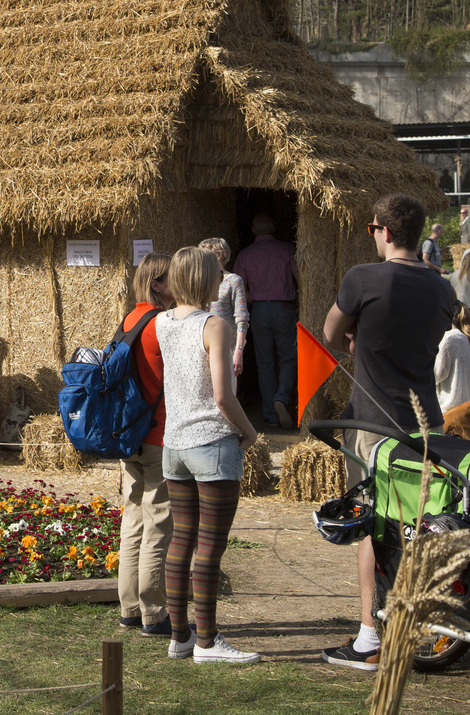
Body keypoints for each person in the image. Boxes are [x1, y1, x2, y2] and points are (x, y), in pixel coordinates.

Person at [320, 193, 457, 672]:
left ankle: (368, 637)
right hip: (427, 425)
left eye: (372, 228)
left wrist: (360, 337)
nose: (373, 236)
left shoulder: (363, 277)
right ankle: (422, 626)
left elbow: (330, 334)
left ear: (386, 231)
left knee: (371, 528)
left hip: (372, 424)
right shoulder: (443, 289)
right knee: (420, 528)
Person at [158, 246, 262, 665]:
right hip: (212, 442)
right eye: (217, 271)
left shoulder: (164, 322)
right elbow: (222, 395)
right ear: (205, 278)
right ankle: (207, 641)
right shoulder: (215, 324)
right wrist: (250, 431)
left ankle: (180, 636)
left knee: (180, 542)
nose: (223, 276)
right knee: (210, 548)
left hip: (174, 443)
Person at [114, 253, 174, 637]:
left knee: (132, 521)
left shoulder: (129, 320)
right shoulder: (163, 324)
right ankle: (154, 612)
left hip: (129, 435)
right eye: (173, 279)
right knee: (158, 525)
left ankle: (129, 608)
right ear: (156, 284)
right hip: (157, 434)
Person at [234, 213, 299, 430]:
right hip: (284, 308)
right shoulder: (287, 250)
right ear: (274, 229)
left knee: (265, 363)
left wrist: (254, 294)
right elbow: (300, 278)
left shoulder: (244, 255)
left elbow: (238, 287)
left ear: (253, 231)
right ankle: (282, 397)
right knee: (288, 358)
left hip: (259, 310)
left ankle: (271, 414)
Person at [199, 238, 248, 388]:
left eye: (205, 254)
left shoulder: (233, 281)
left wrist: (239, 350)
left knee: (226, 389)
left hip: (227, 346)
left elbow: (242, 317)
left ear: (219, 255)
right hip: (204, 346)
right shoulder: (201, 281)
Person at [435, 304, 470, 414]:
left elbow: (435, 375)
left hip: (447, 411)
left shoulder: (449, 340)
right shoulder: (465, 338)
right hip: (463, 409)